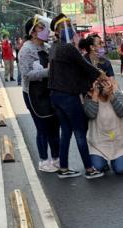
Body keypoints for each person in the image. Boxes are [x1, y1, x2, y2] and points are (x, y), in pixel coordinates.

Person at [48, 13, 106, 179]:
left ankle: (64, 168)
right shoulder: (68, 48)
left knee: (66, 132)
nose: (70, 29)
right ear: (59, 31)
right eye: (66, 26)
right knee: (80, 132)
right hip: (68, 96)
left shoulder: (54, 47)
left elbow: (74, 70)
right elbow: (84, 66)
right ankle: (89, 169)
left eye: (69, 25)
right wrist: (100, 75)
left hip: (55, 96)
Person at [20, 17, 61, 172]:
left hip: (49, 91)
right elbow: (26, 74)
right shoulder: (26, 50)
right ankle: (44, 161)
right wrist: (48, 72)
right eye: (40, 28)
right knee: (42, 127)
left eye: (44, 27)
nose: (44, 30)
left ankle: (56, 158)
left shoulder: (47, 47)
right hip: (34, 94)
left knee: (54, 127)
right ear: (32, 32)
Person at [83, 77, 123, 175]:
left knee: (120, 170)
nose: (103, 87)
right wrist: (95, 95)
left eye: (105, 83)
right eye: (100, 84)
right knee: (98, 167)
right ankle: (103, 161)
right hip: (98, 143)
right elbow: (91, 114)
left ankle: (118, 160)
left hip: (118, 143)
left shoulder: (117, 93)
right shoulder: (90, 96)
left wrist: (111, 96)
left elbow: (122, 112)